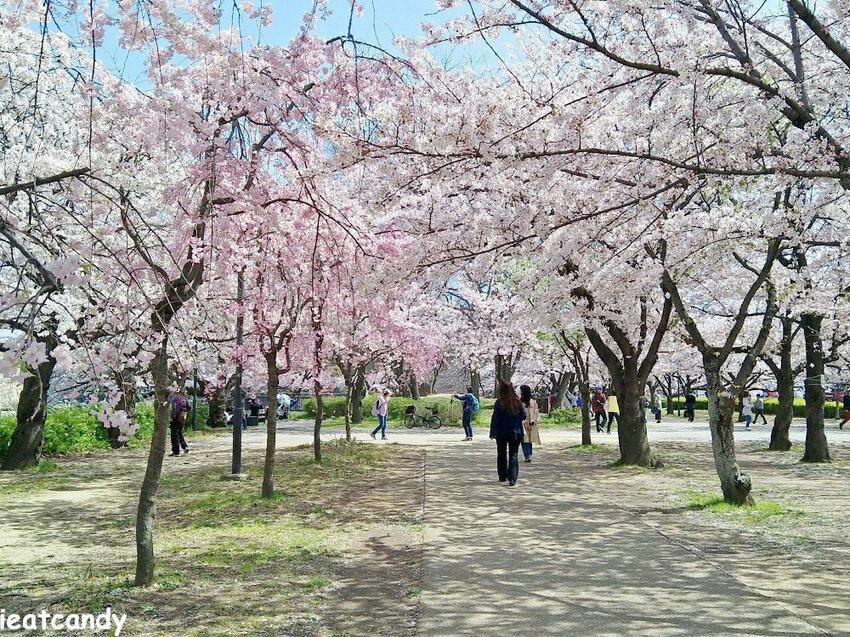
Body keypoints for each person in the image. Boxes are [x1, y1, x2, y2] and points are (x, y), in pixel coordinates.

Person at [490, 380, 527, 486]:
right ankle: (512, 478)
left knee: (501, 454)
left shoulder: (499, 402)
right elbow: (523, 416)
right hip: (516, 432)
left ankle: (502, 476)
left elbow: (495, 418)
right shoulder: (517, 402)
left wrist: (493, 432)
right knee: (513, 454)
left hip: (501, 432)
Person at [520, 385, 541, 462]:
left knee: (528, 440)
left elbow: (535, 412)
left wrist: (532, 421)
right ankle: (527, 455)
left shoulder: (532, 402)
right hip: (524, 423)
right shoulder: (521, 402)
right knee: (526, 439)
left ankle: (528, 455)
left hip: (529, 423)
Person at [168, 389, 190, 457]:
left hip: (175, 419)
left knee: (174, 435)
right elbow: (189, 407)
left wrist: (172, 417)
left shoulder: (175, 399)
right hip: (182, 418)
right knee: (179, 433)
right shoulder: (184, 399)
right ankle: (184, 446)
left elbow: (174, 409)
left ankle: (176, 451)